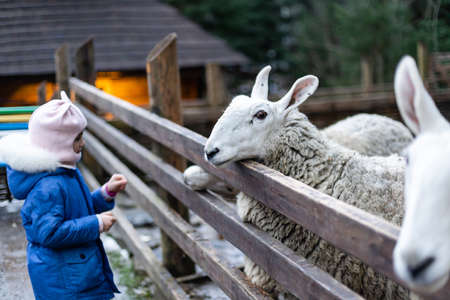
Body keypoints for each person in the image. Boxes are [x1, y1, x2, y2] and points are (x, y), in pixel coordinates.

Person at [0, 92, 127, 300]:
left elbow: (78, 209)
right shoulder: (48, 187)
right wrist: (96, 224)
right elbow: (49, 233)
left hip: (77, 273)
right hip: (65, 282)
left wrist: (106, 192)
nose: (83, 143)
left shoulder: (64, 173)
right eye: (77, 138)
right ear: (58, 143)